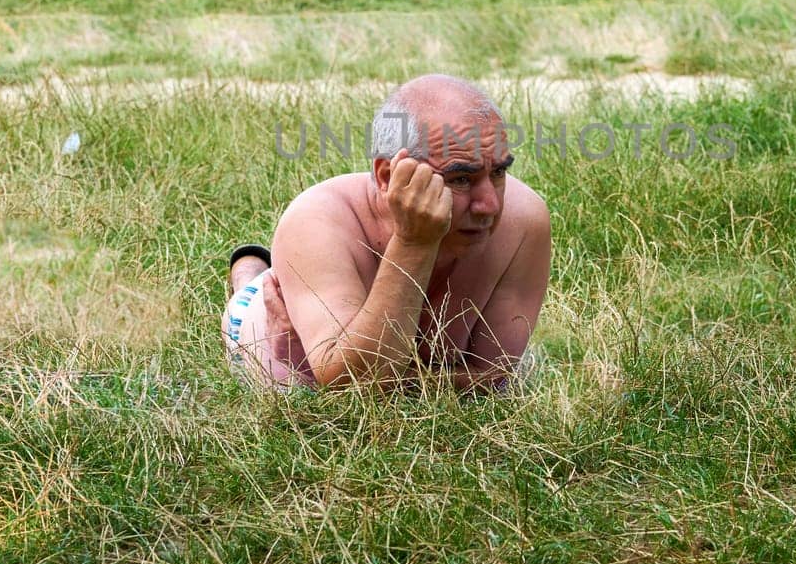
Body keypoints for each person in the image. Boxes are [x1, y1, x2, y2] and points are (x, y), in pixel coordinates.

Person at [222, 74, 551, 391]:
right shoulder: (317, 219)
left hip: (326, 327)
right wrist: (414, 244)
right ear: (387, 176)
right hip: (257, 322)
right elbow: (357, 388)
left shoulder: (524, 220)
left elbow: (495, 376)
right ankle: (249, 272)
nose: (490, 205)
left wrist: (357, 374)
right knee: (255, 302)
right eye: (460, 179)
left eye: (498, 172)